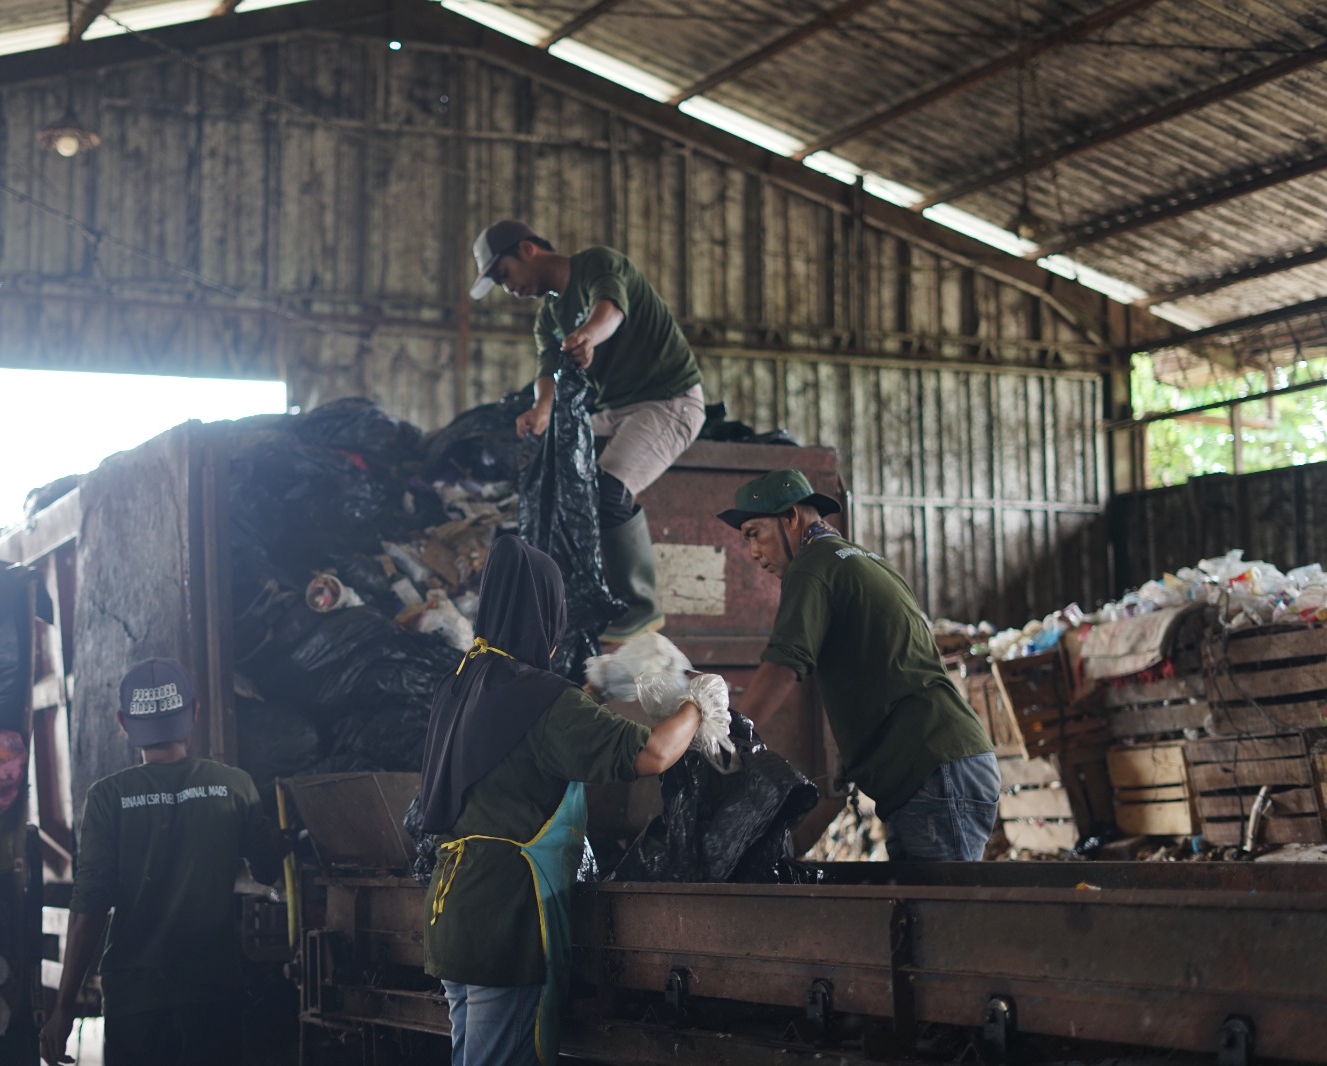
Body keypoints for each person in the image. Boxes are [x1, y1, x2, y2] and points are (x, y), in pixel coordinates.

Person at [418, 535, 724, 1065]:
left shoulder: (461, 685)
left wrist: (598, 686)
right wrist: (701, 705)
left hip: (454, 912)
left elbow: (526, 738)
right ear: (547, 616)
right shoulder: (540, 697)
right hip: (506, 924)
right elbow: (651, 754)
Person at [717, 470, 998, 861]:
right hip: (943, 762)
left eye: (753, 533)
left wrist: (724, 741)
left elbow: (784, 665)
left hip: (935, 767)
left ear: (791, 518)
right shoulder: (863, 561)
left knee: (947, 919)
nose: (753, 552)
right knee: (921, 914)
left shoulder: (812, 565)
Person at [39, 658, 286, 1066]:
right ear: (194, 711)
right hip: (214, 994)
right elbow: (267, 870)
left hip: (135, 1000)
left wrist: (63, 1008)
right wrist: (280, 840)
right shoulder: (235, 786)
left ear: (123, 722)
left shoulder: (107, 798)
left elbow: (89, 906)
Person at [469, 219, 707, 640]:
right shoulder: (547, 317)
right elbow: (547, 370)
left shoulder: (598, 262)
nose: (508, 289)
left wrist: (588, 336)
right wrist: (541, 411)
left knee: (608, 491)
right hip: (617, 410)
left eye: (503, 275)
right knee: (554, 468)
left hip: (668, 401)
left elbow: (611, 308)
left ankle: (641, 605)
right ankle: (567, 595)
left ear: (527, 249)